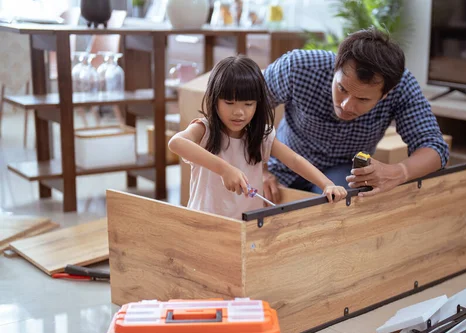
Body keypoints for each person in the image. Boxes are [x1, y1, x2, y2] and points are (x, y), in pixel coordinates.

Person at [262, 27, 450, 203]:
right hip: (281, 166)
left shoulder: (402, 87)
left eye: (362, 99)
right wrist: (258, 169)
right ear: (336, 67)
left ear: (386, 94)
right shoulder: (298, 67)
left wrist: (399, 171)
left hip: (342, 172)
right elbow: (245, 106)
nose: (346, 105)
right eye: (342, 88)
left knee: (345, 205)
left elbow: (435, 147)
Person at [169, 55, 348, 219]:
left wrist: (326, 184)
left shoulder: (261, 135)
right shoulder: (204, 130)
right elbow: (176, 143)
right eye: (229, 103)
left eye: (248, 104)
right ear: (214, 100)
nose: (239, 112)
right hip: (206, 223)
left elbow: (294, 159)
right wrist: (224, 169)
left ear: (258, 104)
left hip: (248, 224)